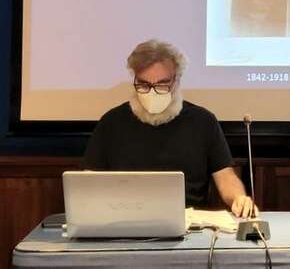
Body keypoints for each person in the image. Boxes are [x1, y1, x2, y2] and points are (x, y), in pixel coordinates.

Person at [83, 39, 257, 217]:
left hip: (188, 221)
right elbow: (89, 181)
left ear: (177, 80)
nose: (152, 92)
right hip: (124, 219)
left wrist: (239, 198)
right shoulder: (112, 122)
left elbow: (226, 177)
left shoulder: (203, 121)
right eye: (144, 84)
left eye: (162, 84)